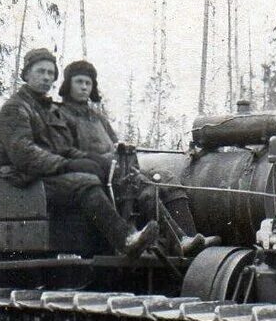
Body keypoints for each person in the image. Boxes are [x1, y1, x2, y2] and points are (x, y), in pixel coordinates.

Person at [0, 48, 159, 258]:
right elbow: (24, 155)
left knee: (111, 175)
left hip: (45, 176)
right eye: (40, 71)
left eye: (50, 73)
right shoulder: (16, 109)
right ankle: (124, 239)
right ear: (26, 74)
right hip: (22, 180)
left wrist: (92, 160)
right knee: (84, 181)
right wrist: (66, 165)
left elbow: (63, 147)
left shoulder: (48, 110)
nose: (46, 78)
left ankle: (145, 240)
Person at [58, 59, 218, 257]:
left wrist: (122, 150)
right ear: (68, 84)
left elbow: (114, 144)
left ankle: (188, 238)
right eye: (79, 82)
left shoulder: (97, 118)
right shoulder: (61, 115)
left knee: (165, 178)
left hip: (113, 169)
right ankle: (175, 240)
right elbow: (66, 151)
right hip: (90, 173)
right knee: (145, 187)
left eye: (88, 83)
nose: (84, 87)